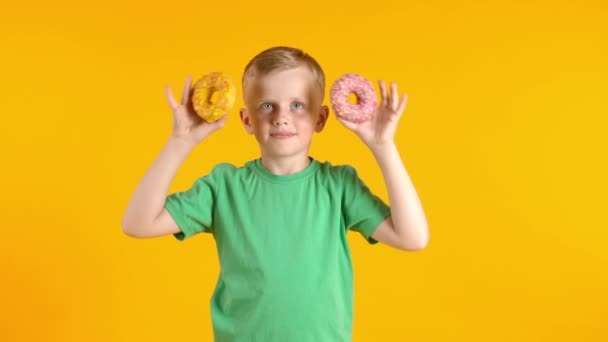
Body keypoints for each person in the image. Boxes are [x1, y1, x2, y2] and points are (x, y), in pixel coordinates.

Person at [122, 46, 429, 341]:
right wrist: (180, 143)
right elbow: (138, 223)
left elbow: (412, 237)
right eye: (267, 105)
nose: (281, 116)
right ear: (247, 120)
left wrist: (383, 147)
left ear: (320, 118)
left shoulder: (338, 186)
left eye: (298, 105)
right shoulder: (224, 186)